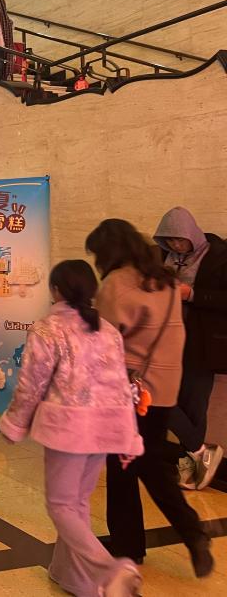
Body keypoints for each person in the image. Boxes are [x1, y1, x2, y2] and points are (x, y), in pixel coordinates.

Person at [0, 260, 144, 596]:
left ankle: (110, 569)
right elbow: (120, 386)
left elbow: (31, 385)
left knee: (61, 505)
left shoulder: (48, 328)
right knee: (77, 503)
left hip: (69, 429)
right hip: (105, 428)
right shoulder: (107, 330)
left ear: (56, 290)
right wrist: (128, 433)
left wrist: (15, 423)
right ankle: (73, 576)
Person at [86, 219, 213, 577]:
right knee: (142, 462)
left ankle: (174, 534)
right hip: (162, 388)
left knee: (131, 467)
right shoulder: (166, 281)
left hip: (127, 389)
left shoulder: (116, 284)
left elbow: (104, 344)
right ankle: (159, 538)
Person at [153, 207, 227, 490]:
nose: (175, 245)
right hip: (166, 340)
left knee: (195, 404)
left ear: (192, 235)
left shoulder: (218, 256)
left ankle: (193, 465)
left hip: (202, 344)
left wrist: (191, 294)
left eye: (179, 239)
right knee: (163, 399)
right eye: (169, 240)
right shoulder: (162, 257)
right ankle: (200, 451)